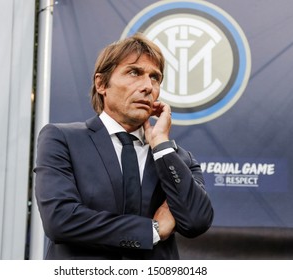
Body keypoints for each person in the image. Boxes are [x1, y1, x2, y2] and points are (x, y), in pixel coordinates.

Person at [34, 34, 214, 260]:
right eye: (134, 72)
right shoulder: (62, 139)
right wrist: (153, 231)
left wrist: (161, 145)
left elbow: (197, 221)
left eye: (155, 78)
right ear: (101, 84)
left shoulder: (176, 157)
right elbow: (60, 220)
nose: (148, 86)